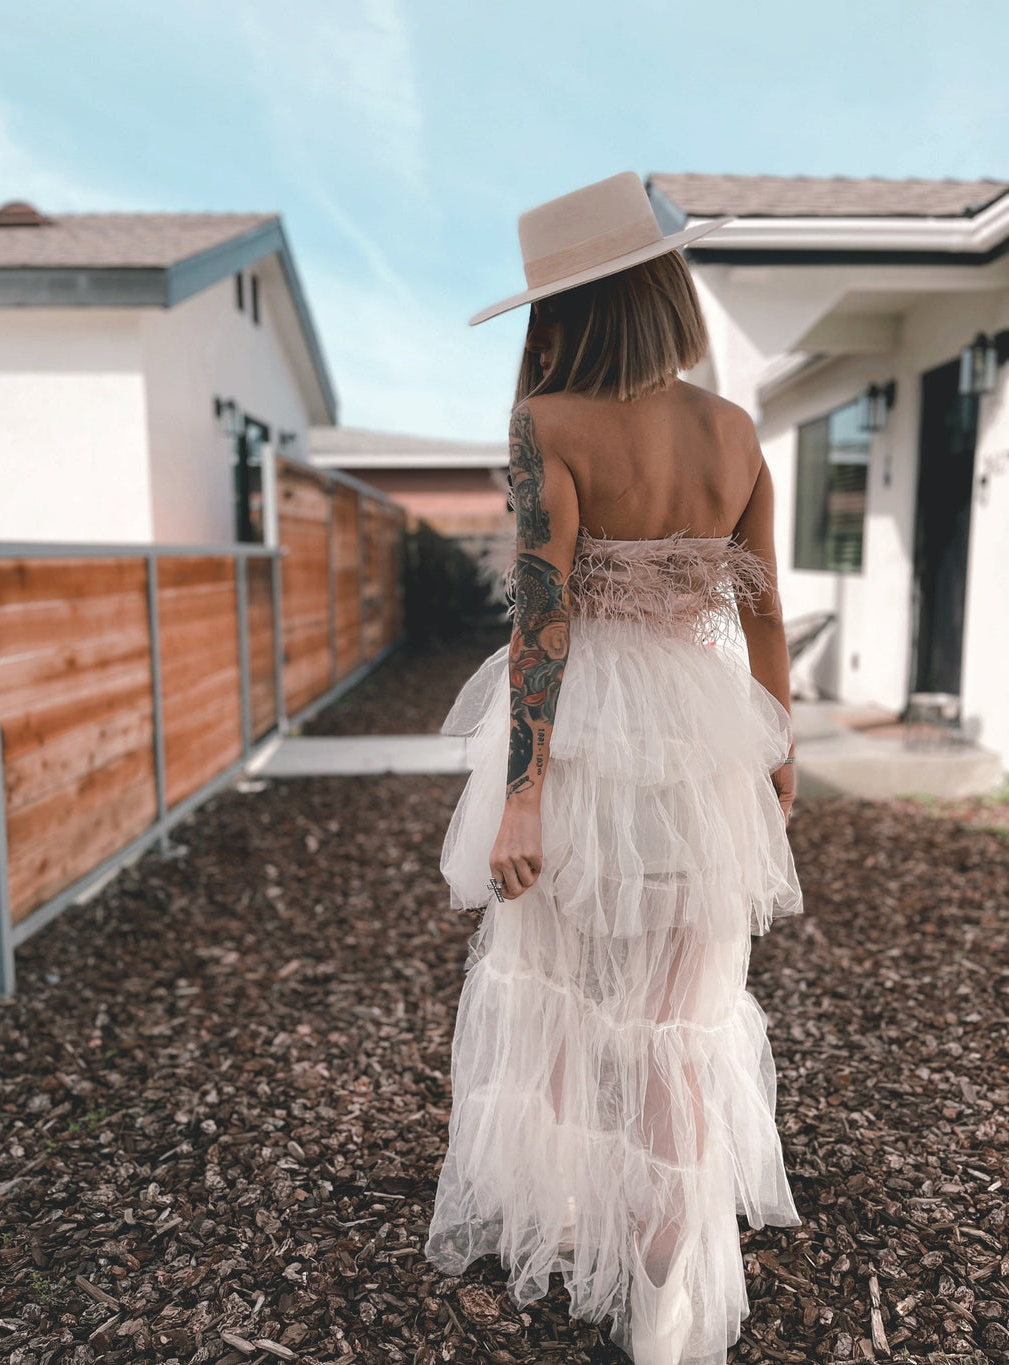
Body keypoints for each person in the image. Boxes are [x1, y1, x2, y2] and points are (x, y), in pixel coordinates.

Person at [423, 171, 803, 1365]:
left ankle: (626, 1268)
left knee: (575, 1012)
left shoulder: (550, 423)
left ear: (567, 309)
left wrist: (522, 797)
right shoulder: (735, 433)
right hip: (704, 740)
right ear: (664, 292)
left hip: (583, 741)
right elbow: (766, 618)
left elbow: (544, 629)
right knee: (676, 1029)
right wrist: (778, 769)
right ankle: (679, 1293)